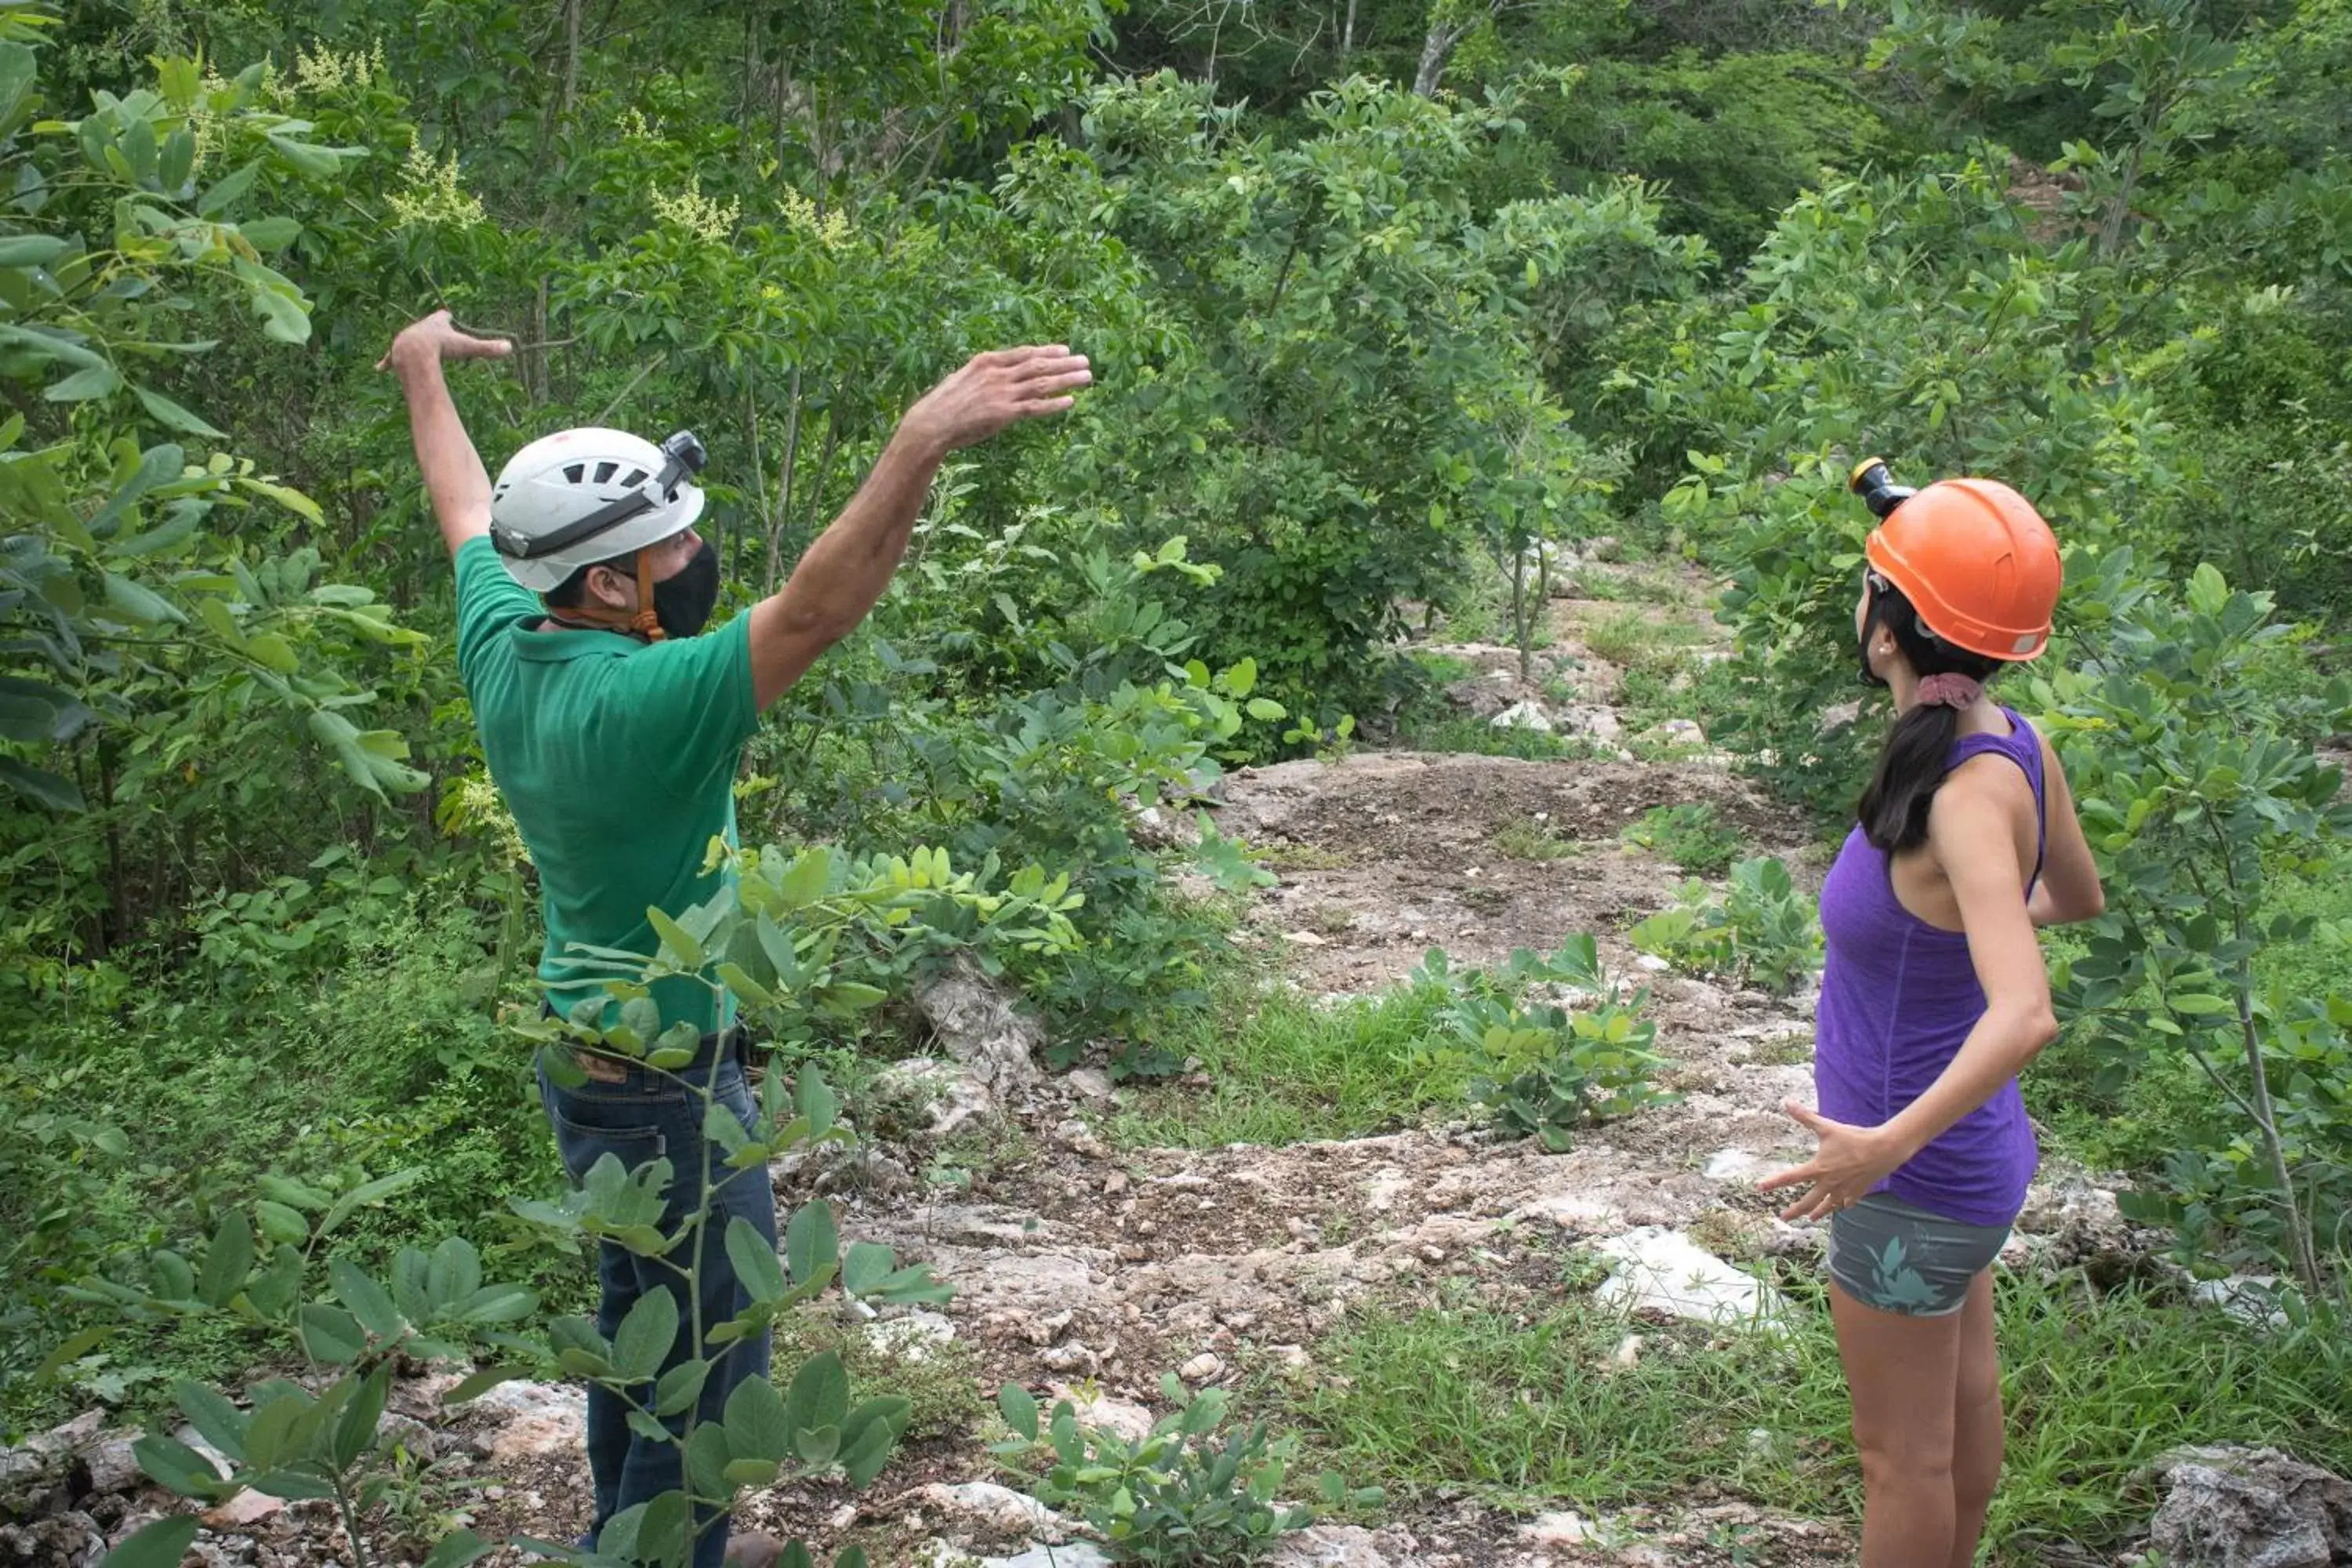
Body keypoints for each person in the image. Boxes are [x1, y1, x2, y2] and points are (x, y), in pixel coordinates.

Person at [379, 310, 1091, 1567]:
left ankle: (628, 1537)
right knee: (708, 1362)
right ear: (607, 585)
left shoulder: (510, 636)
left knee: (640, 1331)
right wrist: (918, 441)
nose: (701, 555)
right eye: (676, 544)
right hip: (668, 1092)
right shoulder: (646, 699)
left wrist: (418, 369)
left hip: (591, 1071)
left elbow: (462, 510)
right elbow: (817, 612)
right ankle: (667, 1553)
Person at [1759, 463, 2105, 1568]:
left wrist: (1880, 1146)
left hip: (1910, 1178)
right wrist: (1981, 910)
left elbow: (2025, 1013)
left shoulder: (1959, 796)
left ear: (1885, 634)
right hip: (1977, 1165)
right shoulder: (2011, 745)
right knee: (1957, 1416)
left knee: (1900, 1460)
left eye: (1869, 587)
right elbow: (2077, 894)